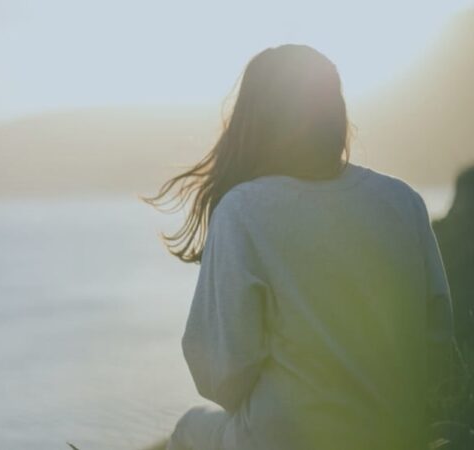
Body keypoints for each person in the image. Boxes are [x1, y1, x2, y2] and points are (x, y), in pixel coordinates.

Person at [142, 44, 456, 450]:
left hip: (285, 438)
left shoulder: (244, 209)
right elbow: (437, 344)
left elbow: (221, 377)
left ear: (253, 121)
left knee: (187, 429)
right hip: (397, 434)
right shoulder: (403, 200)